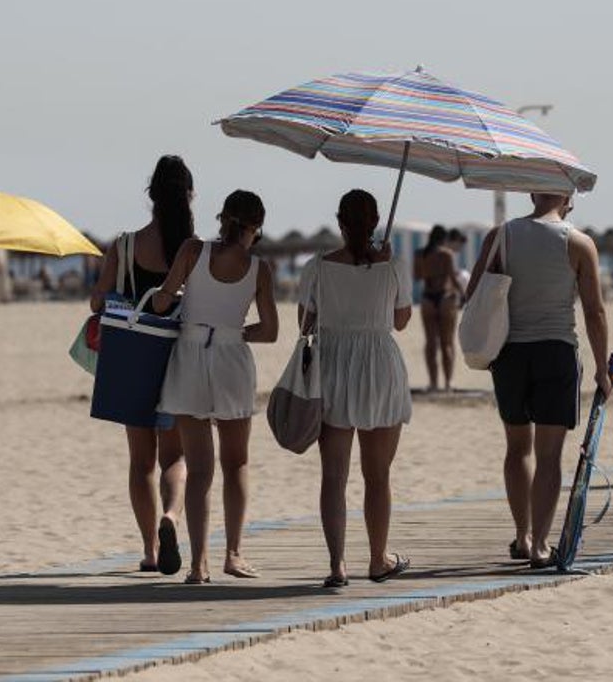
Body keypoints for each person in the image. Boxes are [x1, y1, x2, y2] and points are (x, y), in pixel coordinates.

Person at [465, 192, 611, 567]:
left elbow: (473, 293)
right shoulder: (579, 242)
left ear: (531, 193)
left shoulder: (502, 234)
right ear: (568, 197)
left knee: (517, 448)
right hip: (556, 351)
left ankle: (522, 535)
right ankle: (541, 545)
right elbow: (594, 311)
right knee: (549, 455)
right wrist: (600, 368)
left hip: (510, 353)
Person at [155, 190, 278, 584]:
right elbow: (271, 331)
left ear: (222, 218)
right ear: (255, 229)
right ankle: (234, 554)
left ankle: (198, 565)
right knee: (236, 462)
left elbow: (161, 303)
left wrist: (167, 300)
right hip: (230, 355)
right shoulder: (259, 268)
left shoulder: (193, 251)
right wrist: (239, 331)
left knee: (199, 466)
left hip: (189, 354)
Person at [299, 190, 413, 588]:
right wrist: (381, 269)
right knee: (377, 474)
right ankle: (378, 558)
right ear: (377, 220)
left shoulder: (317, 267)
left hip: (333, 365)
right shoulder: (394, 267)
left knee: (333, 476)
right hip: (379, 364)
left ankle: (337, 565)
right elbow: (401, 321)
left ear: (340, 222)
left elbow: (304, 325)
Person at [89, 155, 195, 575]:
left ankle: (151, 550)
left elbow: (98, 300)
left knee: (140, 462)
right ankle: (171, 516)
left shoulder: (125, 245)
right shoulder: (193, 247)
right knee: (175, 457)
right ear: (189, 195)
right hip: (177, 355)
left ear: (150, 195)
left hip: (134, 354)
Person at [414, 225, 462, 391]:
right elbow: (452, 278)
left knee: (430, 343)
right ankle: (448, 383)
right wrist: (463, 294)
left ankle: (433, 383)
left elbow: (417, 276)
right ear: (444, 238)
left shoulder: (419, 254)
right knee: (447, 343)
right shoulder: (446, 254)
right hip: (444, 297)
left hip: (427, 298)